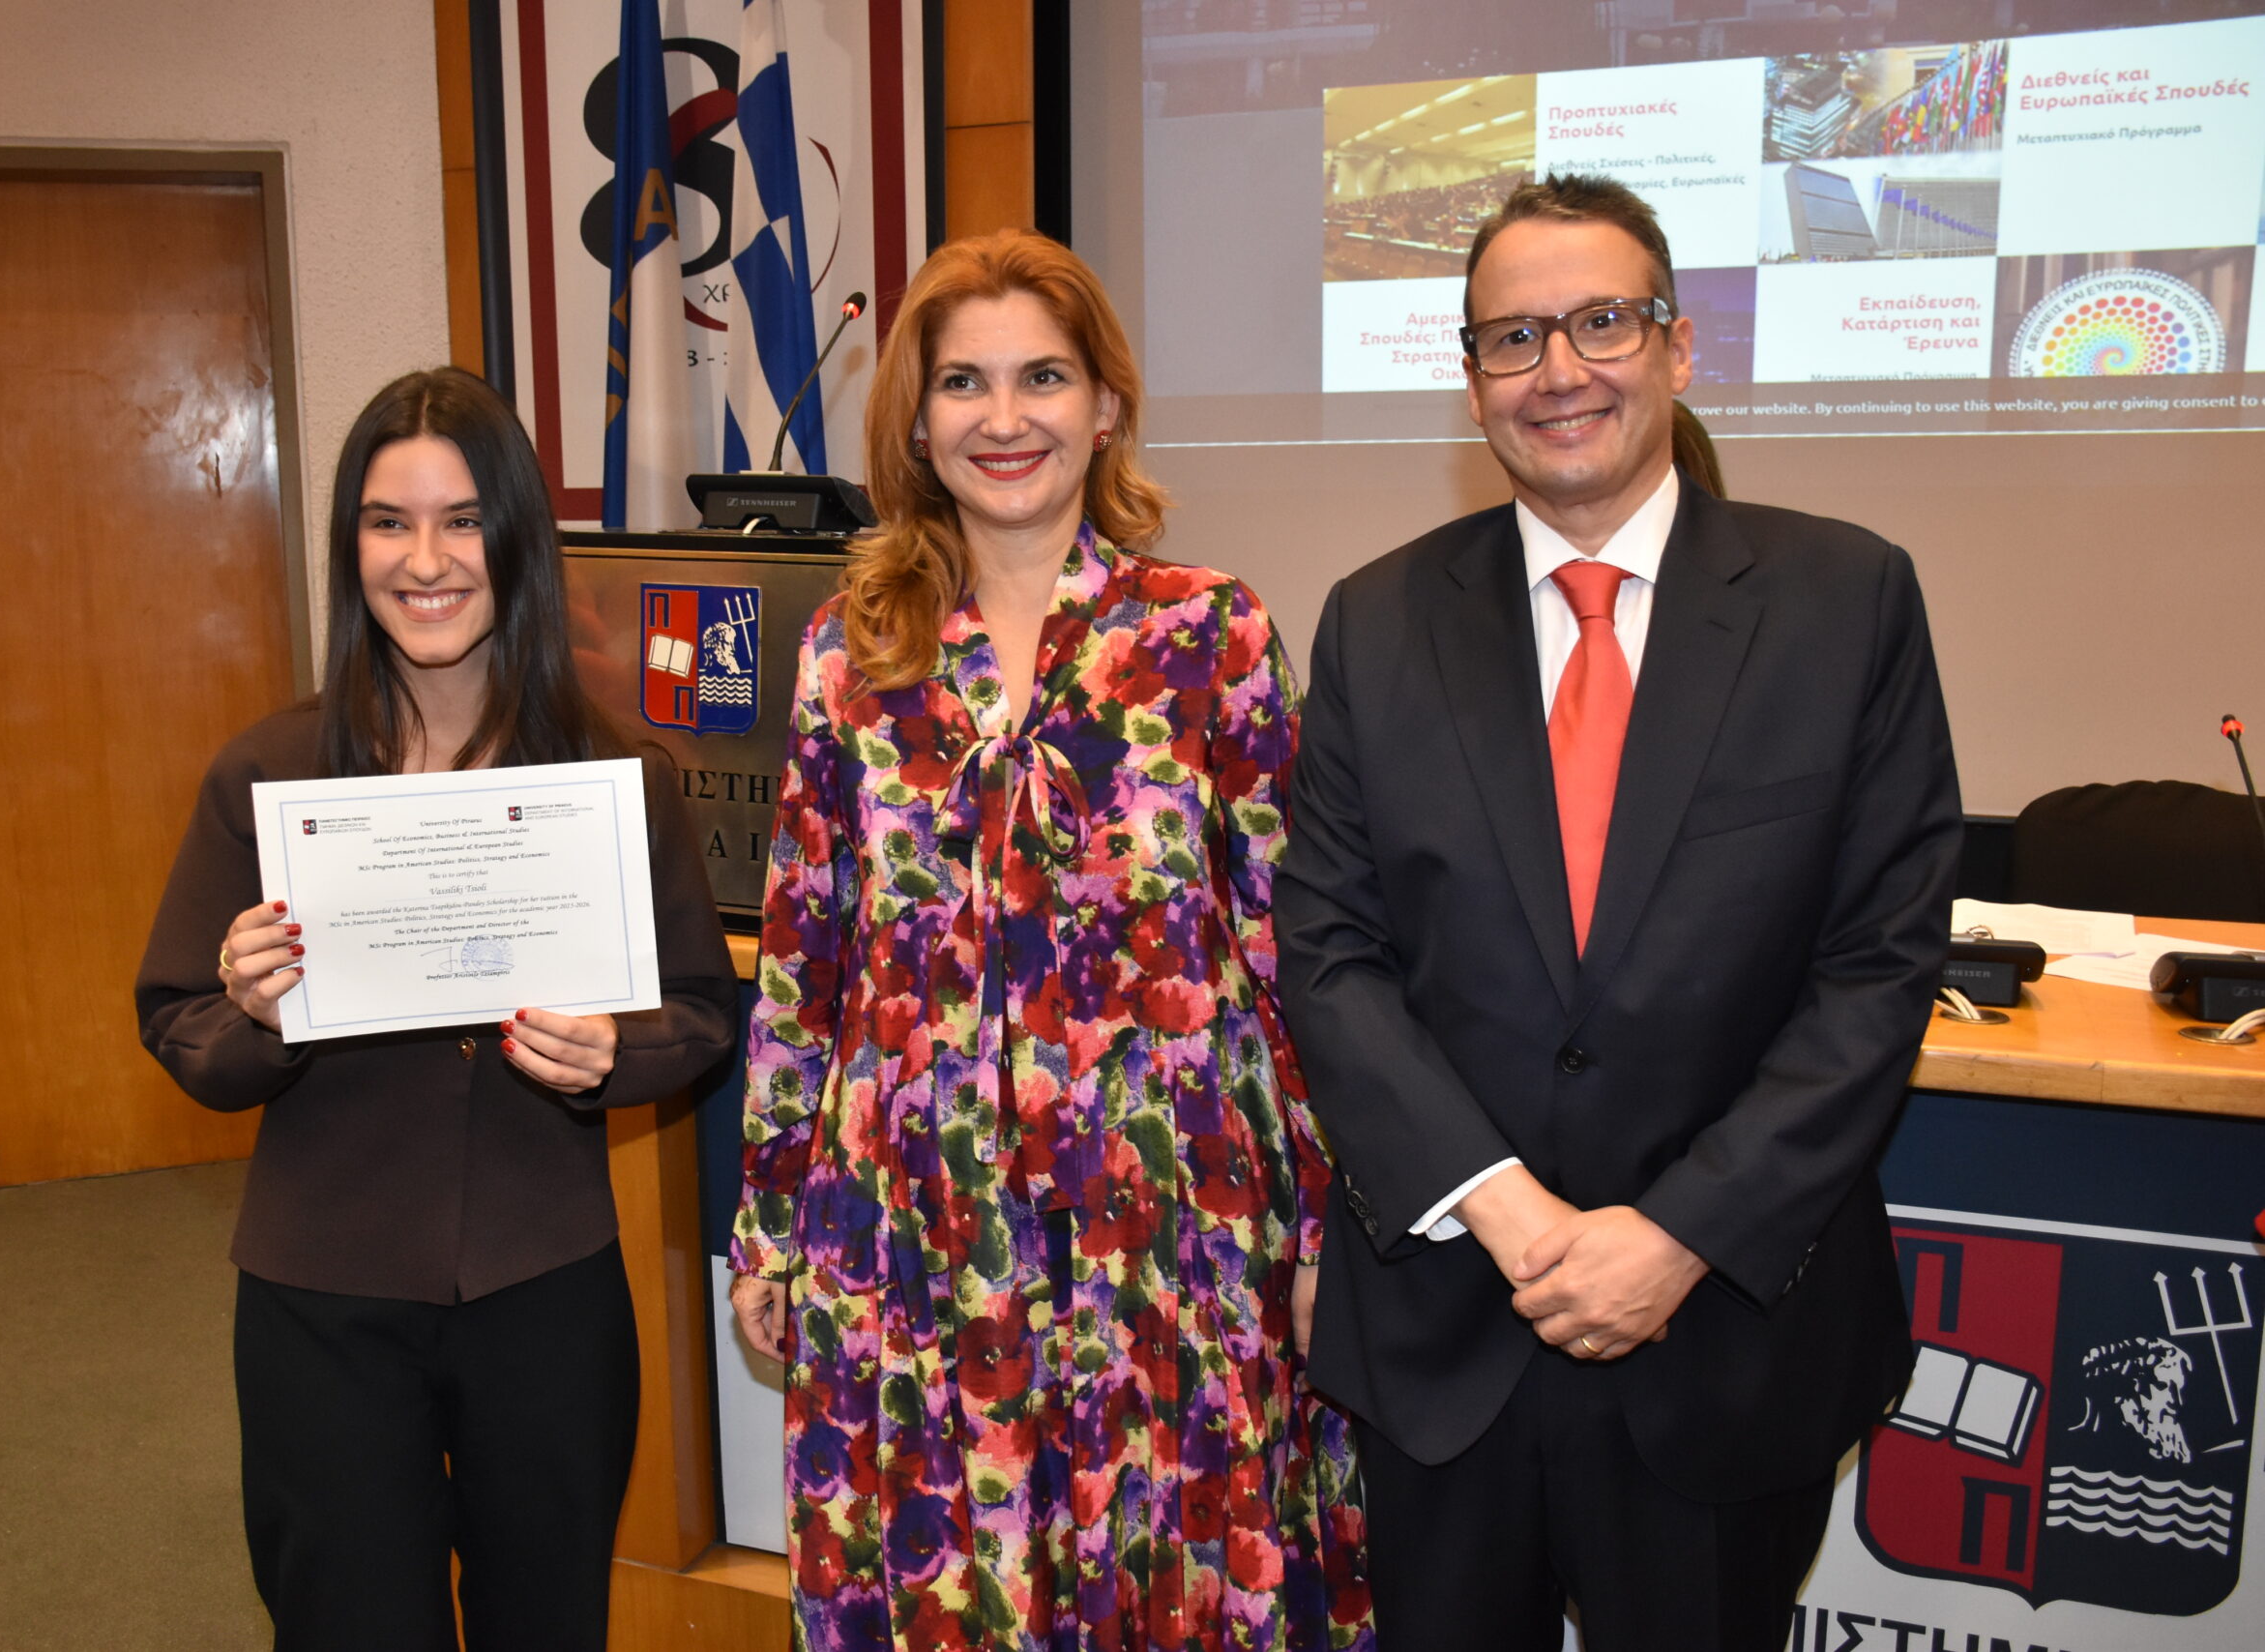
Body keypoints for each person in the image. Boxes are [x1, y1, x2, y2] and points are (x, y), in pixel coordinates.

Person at [1275, 175, 1960, 1651]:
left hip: (1724, 1338)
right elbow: (1331, 958)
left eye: (1601, 322)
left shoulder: (1845, 600)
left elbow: (1878, 966)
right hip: (1450, 1331)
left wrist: (1676, 1235)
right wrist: (1508, 1209)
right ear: (1472, 379)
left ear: (1678, 344)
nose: (1559, 370)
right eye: (1513, 338)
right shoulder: (1376, 621)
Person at [726, 229, 1373, 1652]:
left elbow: (1294, 956)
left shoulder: (1210, 633)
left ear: (1106, 406)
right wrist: (767, 1224)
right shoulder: (849, 652)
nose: (1003, 417)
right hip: (913, 1224)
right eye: (963, 382)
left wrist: (1331, 1221)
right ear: (915, 420)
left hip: (1171, 1224)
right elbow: (803, 958)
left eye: (1043, 377)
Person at [134, 367, 736, 1651]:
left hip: (545, 1283)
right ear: (349, 546)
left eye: (463, 521)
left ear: (515, 539)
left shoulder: (615, 776)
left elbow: (699, 1011)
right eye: (387, 522)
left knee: (548, 1619)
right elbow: (181, 1026)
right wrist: (257, 1011)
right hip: (322, 1295)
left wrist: (612, 1052)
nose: (425, 561)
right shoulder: (268, 774)